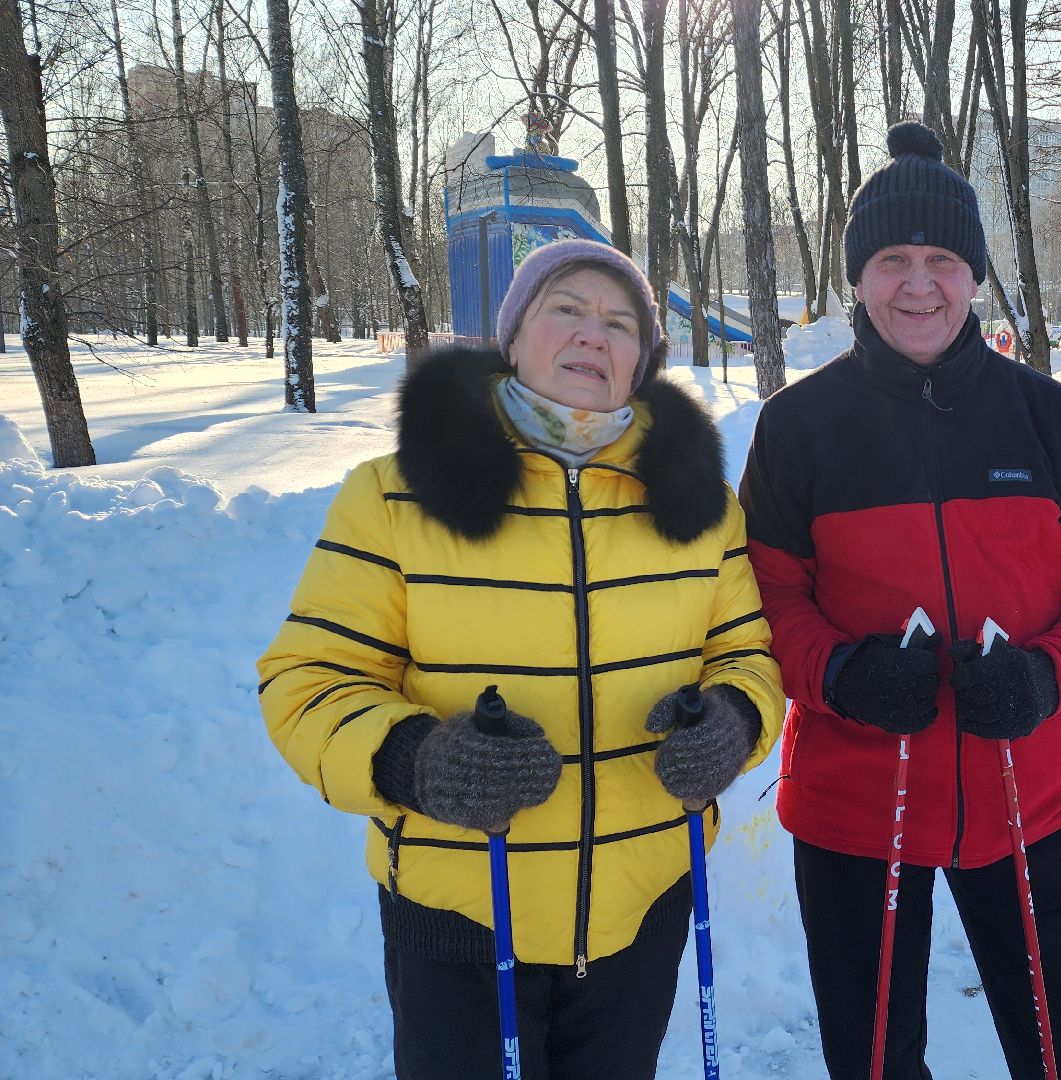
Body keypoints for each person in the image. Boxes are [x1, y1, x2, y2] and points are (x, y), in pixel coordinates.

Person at [258, 238, 782, 1079]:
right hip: (461, 912)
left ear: (642, 360)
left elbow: (747, 655)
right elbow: (309, 681)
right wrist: (416, 759)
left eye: (619, 323)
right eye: (565, 309)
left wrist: (732, 721)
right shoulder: (396, 495)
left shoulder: (701, 507)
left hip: (642, 905)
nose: (592, 334)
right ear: (514, 338)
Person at [738, 121, 1061, 1080]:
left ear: (974, 275)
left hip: (1031, 794)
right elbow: (761, 601)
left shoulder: (1047, 415)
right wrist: (841, 674)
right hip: (854, 808)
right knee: (877, 1063)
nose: (917, 283)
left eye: (940, 259)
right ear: (857, 277)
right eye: (891, 259)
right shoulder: (798, 428)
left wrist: (1047, 679)